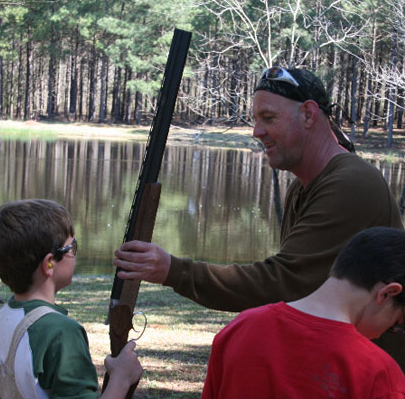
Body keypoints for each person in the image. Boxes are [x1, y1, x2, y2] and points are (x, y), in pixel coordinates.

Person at [114, 67, 405, 369]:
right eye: (256, 119)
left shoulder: (350, 183)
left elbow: (282, 283)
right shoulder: (304, 186)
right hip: (346, 371)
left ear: (308, 114)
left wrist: (173, 271)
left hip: (384, 379)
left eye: (268, 118)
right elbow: (300, 296)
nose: (257, 131)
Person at [196, 227, 405, 399]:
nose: (380, 334)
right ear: (387, 293)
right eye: (396, 323)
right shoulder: (381, 377)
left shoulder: (239, 330)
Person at [0, 199, 143, 399]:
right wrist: (121, 377)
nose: (75, 253)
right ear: (49, 263)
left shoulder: (3, 317)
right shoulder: (61, 333)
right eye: (71, 247)